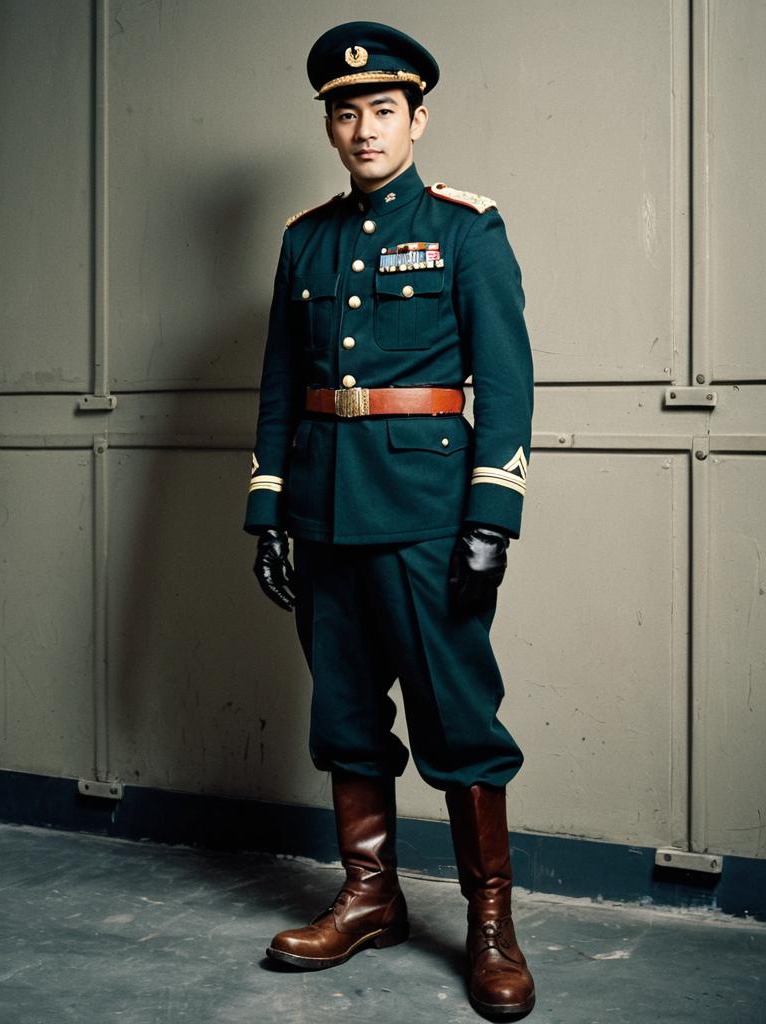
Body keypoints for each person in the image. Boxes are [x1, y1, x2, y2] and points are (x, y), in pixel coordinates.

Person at [244, 20, 535, 1020]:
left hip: (428, 514)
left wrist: (493, 513)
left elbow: (505, 382)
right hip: (324, 509)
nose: (364, 128)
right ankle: (370, 896)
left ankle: (490, 924)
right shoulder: (305, 238)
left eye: (381, 109)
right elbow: (281, 382)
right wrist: (267, 506)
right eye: (345, 113)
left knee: (460, 721)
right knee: (346, 717)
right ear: (328, 126)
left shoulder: (466, 229)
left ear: (417, 118)